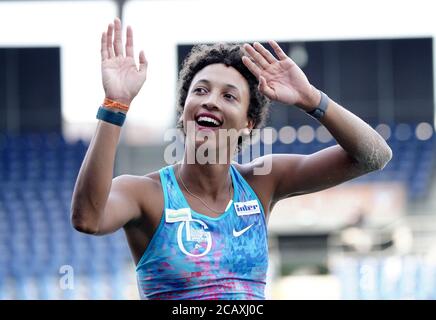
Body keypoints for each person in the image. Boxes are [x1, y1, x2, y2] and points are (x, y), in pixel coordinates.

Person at [71, 18, 392, 300]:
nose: (210, 101)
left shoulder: (263, 181)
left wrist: (312, 100)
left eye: (228, 96)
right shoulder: (145, 194)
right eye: (200, 91)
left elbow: (373, 155)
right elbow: (87, 219)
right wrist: (116, 104)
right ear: (184, 113)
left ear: (248, 122)